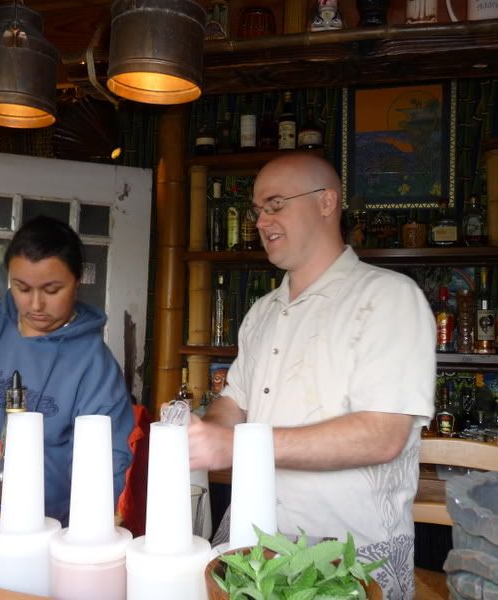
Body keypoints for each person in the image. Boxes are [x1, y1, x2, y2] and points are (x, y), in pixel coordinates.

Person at [188, 153, 436, 599]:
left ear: (326, 202)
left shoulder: (390, 298)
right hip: (252, 547)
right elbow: (234, 401)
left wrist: (237, 445)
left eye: (275, 205)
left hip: (353, 559)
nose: (261, 221)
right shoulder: (262, 311)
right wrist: (204, 433)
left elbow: (382, 435)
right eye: (257, 210)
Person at [0, 215, 134, 525]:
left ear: (77, 281)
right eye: (22, 288)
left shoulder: (95, 367)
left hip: (45, 533)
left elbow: (104, 471)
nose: (35, 305)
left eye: (52, 290)